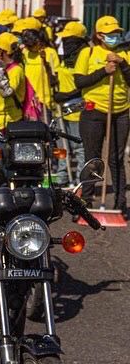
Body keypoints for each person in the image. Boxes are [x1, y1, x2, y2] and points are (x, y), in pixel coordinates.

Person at [74, 16, 130, 218]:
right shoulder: (87, 53)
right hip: (94, 111)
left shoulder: (125, 54)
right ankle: (85, 201)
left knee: (117, 158)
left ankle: (120, 204)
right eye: (110, 33)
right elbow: (80, 82)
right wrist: (103, 71)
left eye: (117, 32)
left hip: (120, 111)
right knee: (93, 158)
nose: (114, 36)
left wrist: (123, 64)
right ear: (99, 34)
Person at [54, 21, 87, 186]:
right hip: (61, 110)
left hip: (77, 110)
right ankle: (63, 175)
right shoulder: (65, 57)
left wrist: (66, 96)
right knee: (62, 147)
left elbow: (84, 84)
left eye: (70, 41)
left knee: (79, 148)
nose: (66, 44)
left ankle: (81, 180)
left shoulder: (86, 56)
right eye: (64, 41)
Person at [15, 17, 59, 122]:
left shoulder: (50, 53)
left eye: (32, 46)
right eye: (28, 46)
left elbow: (54, 79)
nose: (30, 48)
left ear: (38, 41)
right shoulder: (24, 53)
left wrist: (45, 62)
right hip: (27, 100)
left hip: (44, 100)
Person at [0, 32, 26, 130]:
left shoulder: (16, 70)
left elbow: (6, 92)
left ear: (4, 52)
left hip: (7, 122)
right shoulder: (3, 68)